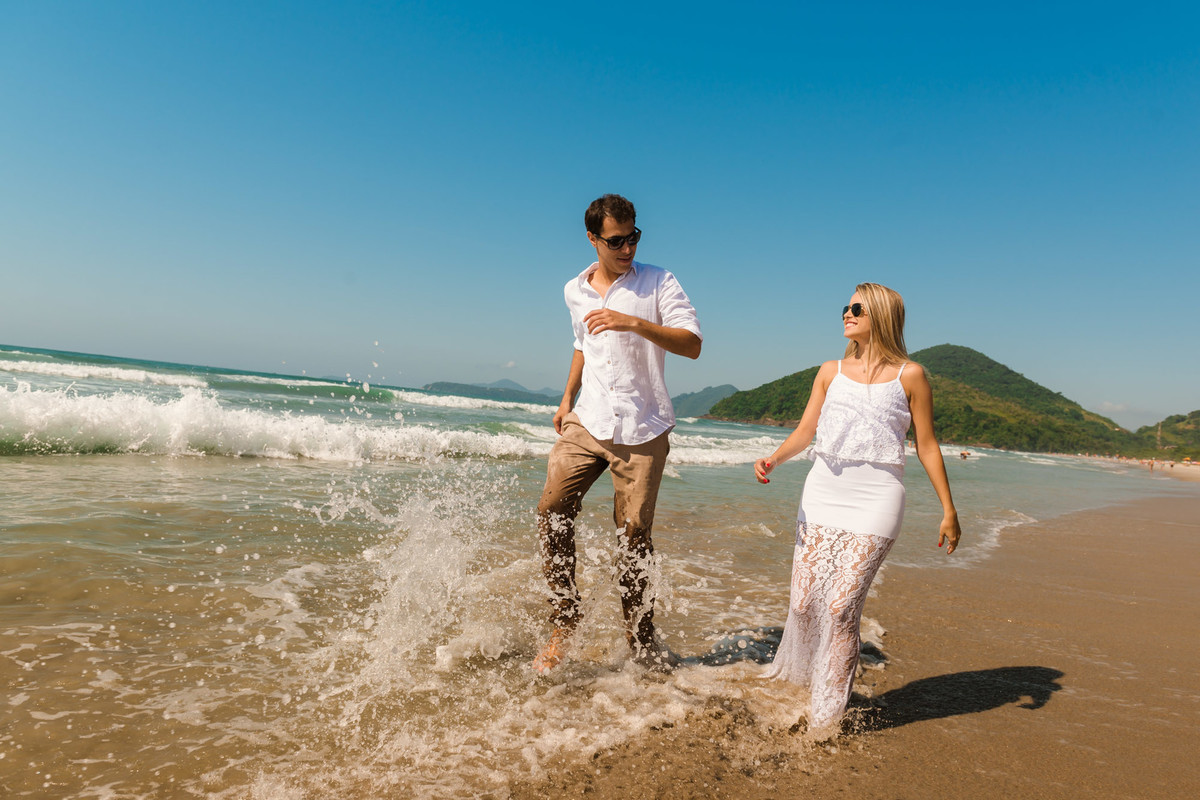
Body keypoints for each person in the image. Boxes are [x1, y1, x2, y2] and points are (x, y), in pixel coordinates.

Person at [753, 282, 961, 737]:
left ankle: (826, 720)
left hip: (878, 498)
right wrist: (774, 458)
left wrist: (948, 508)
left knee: (842, 605)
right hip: (822, 492)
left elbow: (926, 446)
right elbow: (807, 430)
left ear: (881, 316)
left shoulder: (911, 375)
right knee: (804, 602)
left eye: (857, 308)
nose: (847, 313)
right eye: (845, 307)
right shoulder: (830, 371)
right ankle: (808, 684)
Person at [533, 194, 703, 674]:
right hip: (588, 419)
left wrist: (631, 321)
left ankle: (641, 642)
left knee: (633, 540)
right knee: (552, 509)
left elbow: (692, 344)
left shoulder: (658, 281)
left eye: (633, 237)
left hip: (643, 427)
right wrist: (567, 398)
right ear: (593, 239)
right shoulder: (574, 289)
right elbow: (581, 343)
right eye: (616, 240)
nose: (627, 247)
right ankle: (565, 620)